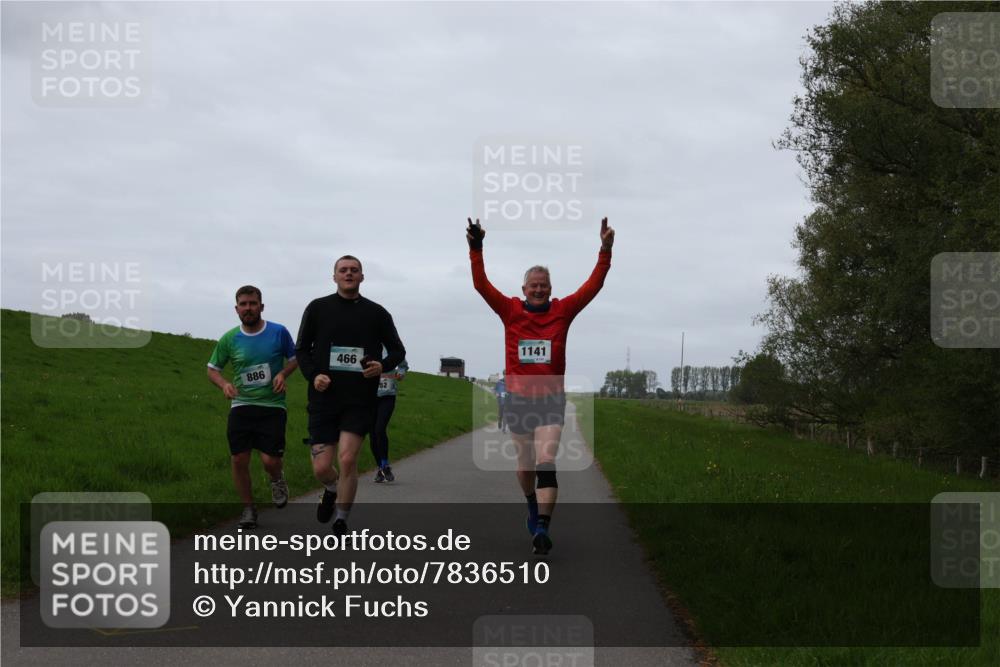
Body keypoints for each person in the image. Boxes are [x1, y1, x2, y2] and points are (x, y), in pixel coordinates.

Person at [467, 217, 614, 555]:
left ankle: (543, 530)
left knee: (546, 459)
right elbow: (480, 285)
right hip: (518, 401)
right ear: (523, 290)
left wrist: (605, 250)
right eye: (533, 285)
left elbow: (593, 285)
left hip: (550, 401)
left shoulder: (563, 311)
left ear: (550, 288)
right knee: (525, 466)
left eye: (543, 285)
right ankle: (531, 503)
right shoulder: (510, 310)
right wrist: (476, 248)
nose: (538, 289)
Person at [295, 255, 405, 537]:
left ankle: (341, 520)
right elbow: (301, 349)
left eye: (354, 270)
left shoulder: (377, 313)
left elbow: (397, 351)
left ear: (362, 277)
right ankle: (330, 488)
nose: (348, 274)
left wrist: (382, 366)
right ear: (334, 277)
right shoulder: (318, 308)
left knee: (347, 460)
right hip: (324, 398)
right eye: (343, 270)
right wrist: (313, 375)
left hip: (359, 399)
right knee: (322, 467)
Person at [207, 285, 298, 529]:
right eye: (243, 304)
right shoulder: (229, 338)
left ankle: (277, 479)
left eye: (253, 303)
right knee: (238, 458)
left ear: (261, 306)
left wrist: (282, 374)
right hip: (242, 405)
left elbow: (294, 359)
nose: (248, 308)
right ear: (236, 309)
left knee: (270, 461)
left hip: (272, 406)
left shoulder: (278, 332)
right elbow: (212, 369)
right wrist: (224, 384)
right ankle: (248, 509)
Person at [371, 353, 409, 483]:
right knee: (372, 434)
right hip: (369, 397)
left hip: (387, 396)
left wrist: (401, 373)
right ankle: (381, 468)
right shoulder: (367, 344)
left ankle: (385, 465)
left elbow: (403, 365)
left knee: (379, 429)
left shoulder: (391, 347)